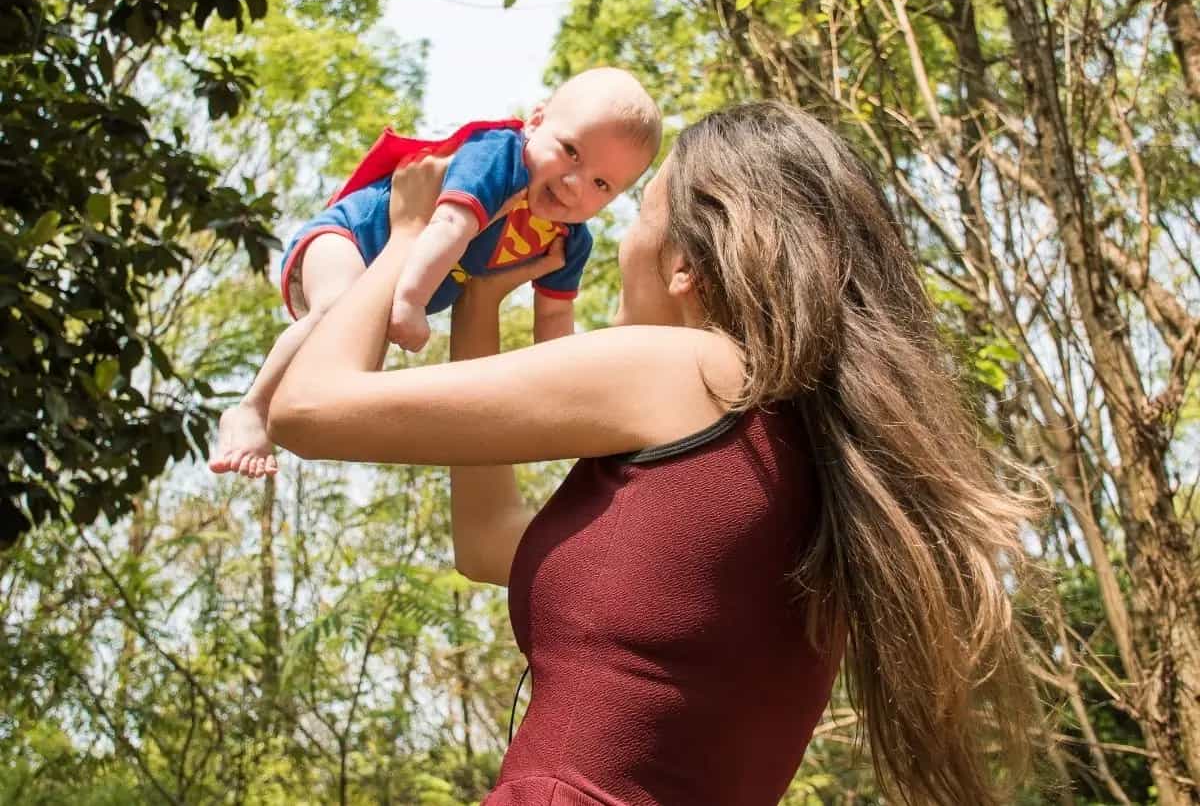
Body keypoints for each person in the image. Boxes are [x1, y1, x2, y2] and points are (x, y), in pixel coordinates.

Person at [267, 101, 1036, 806]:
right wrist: (482, 300)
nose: (617, 236)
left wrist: (406, 235)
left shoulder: (690, 370)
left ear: (683, 264)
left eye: (636, 212)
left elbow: (308, 410)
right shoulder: (803, 449)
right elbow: (489, 542)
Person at [209, 67, 662, 479]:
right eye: (571, 152)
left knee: (351, 368)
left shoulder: (568, 240)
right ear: (536, 121)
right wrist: (409, 301)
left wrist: (569, 397)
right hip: (350, 237)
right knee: (335, 308)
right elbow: (449, 224)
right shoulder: (499, 158)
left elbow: (555, 321)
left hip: (391, 280)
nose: (574, 184)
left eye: (602, 184)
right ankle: (251, 408)